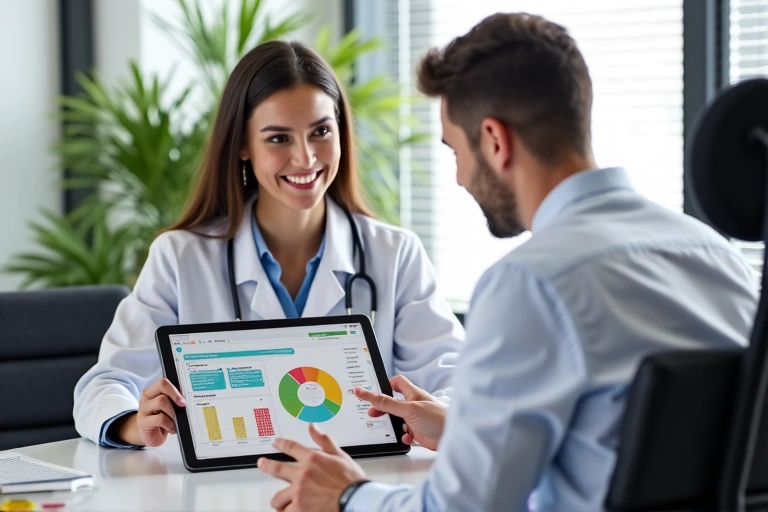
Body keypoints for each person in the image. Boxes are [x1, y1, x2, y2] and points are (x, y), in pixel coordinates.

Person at [256, 12, 759, 511]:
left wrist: (347, 495)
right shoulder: (717, 255)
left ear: (494, 141)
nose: (458, 179)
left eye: (455, 151)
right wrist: (463, 430)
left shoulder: (531, 282)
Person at [73, 40, 463, 449]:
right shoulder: (180, 256)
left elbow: (458, 381)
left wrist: (441, 414)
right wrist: (134, 422)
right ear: (242, 145)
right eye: (279, 139)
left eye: (321, 132)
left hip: (359, 486)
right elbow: (106, 384)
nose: (306, 158)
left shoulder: (394, 254)